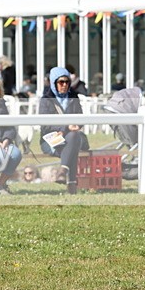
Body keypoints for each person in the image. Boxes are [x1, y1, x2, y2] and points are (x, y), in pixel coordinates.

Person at [38, 67, 88, 195]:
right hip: (51, 139)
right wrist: (65, 128)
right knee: (73, 143)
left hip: (71, 136)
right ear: (54, 83)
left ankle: (63, 171)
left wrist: (75, 126)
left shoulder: (74, 97)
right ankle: (71, 183)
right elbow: (45, 125)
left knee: (73, 137)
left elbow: (80, 118)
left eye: (67, 82)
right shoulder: (46, 100)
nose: (64, 85)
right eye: (61, 82)